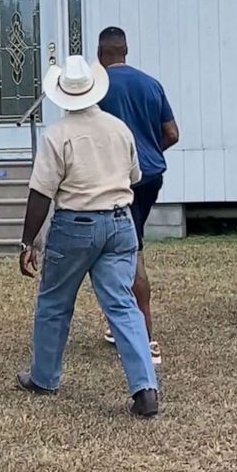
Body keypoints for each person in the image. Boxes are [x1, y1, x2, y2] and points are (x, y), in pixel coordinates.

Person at [16, 54, 160, 419]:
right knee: (122, 305)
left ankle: (44, 376)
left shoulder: (57, 136)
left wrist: (28, 240)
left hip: (74, 226)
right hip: (119, 222)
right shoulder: (119, 128)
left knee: (54, 303)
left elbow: (41, 193)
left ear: (62, 94)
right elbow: (134, 176)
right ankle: (145, 387)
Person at [96, 27, 179, 366]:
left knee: (130, 253)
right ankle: (122, 325)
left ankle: (145, 336)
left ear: (102, 54)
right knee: (128, 246)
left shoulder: (99, 88)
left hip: (116, 179)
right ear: (126, 50)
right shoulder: (151, 84)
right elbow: (172, 133)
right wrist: (146, 153)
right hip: (151, 176)